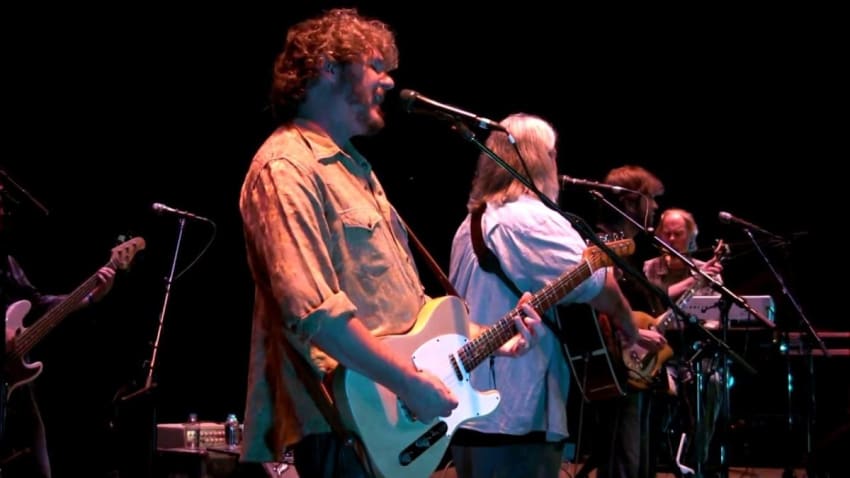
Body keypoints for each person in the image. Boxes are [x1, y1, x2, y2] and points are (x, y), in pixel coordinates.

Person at [237, 8, 543, 478]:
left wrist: (496, 338)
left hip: (382, 426)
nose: (389, 80)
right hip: (340, 426)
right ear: (328, 68)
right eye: (376, 66)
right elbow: (314, 313)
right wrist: (409, 384)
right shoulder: (286, 167)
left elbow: (410, 315)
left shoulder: (357, 170)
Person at [446, 114, 665, 478]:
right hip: (516, 412)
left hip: (469, 412)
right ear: (539, 157)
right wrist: (630, 329)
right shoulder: (533, 219)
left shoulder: (469, 223)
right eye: (553, 154)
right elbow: (602, 288)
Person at [0, 181, 116, 478]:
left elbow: (37, 304)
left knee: (41, 468)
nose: (3, 212)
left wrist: (91, 295)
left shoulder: (7, 263)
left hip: (17, 385)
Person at [574, 164, 667, 478]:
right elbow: (596, 299)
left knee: (636, 459)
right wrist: (636, 332)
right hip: (617, 368)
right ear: (630, 202)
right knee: (623, 461)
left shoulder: (625, 250)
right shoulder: (603, 244)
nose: (655, 207)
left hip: (630, 368)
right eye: (651, 198)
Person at [643, 207, 725, 470]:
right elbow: (656, 297)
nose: (671, 238)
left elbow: (716, 317)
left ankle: (696, 459)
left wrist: (711, 285)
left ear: (691, 237)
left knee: (712, 381)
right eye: (666, 233)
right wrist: (693, 281)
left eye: (678, 234)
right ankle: (653, 458)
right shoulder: (650, 268)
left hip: (692, 352)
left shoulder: (705, 270)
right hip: (657, 351)